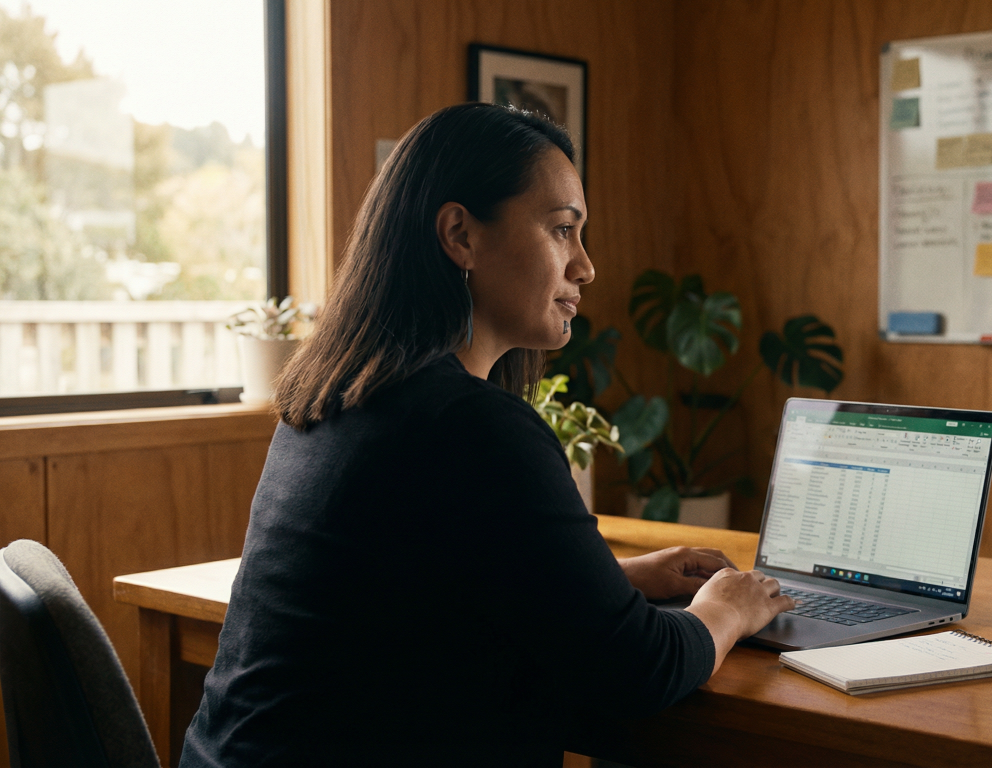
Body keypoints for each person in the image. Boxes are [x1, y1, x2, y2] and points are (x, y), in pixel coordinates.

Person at [179, 103, 793, 767]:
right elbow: (634, 671)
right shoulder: (470, 425)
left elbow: (421, 590)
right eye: (562, 230)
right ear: (460, 235)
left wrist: (615, 581)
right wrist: (726, 609)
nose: (584, 267)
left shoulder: (338, 398)